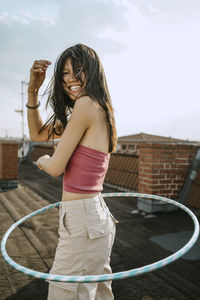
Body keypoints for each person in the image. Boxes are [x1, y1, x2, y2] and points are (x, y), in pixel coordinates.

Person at [27, 43, 118, 300]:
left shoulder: (86, 105)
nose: (71, 79)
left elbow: (55, 167)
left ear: (93, 72)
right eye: (65, 73)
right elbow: (37, 134)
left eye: (78, 71)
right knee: (97, 294)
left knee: (63, 293)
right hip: (93, 218)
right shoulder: (97, 107)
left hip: (83, 221)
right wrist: (33, 92)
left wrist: (43, 159)